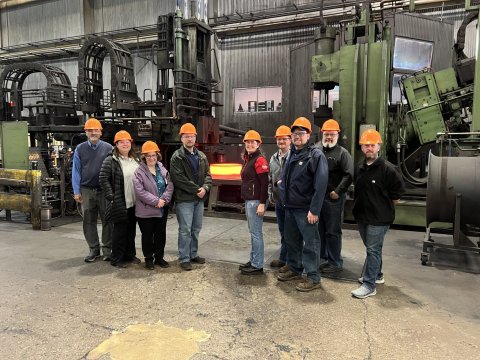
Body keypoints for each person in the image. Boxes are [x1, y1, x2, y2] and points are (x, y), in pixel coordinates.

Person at [351, 129, 405, 299]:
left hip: (379, 218)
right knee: (372, 248)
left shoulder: (389, 169)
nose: (369, 148)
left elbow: (396, 197)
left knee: (373, 250)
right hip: (362, 216)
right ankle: (378, 275)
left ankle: (369, 284)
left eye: (372, 145)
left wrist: (381, 207)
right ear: (362, 147)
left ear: (378, 147)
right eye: (366, 145)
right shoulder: (359, 167)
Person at [277, 117, 329, 292]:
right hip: (290, 207)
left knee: (311, 243)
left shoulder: (315, 156)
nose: (297, 136)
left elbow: (320, 185)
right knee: (292, 240)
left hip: (305, 210)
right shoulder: (293, 152)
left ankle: (313, 277)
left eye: (301, 133)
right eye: (294, 134)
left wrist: (314, 210)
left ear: (309, 135)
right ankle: (294, 267)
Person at [170, 123, 212, 271]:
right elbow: (178, 178)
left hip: (198, 200)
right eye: (186, 136)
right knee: (185, 230)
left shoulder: (201, 156)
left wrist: (205, 188)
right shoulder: (177, 157)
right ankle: (184, 258)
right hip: (185, 200)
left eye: (191, 136)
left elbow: (208, 175)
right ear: (181, 138)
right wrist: (197, 190)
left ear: (195, 138)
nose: (189, 139)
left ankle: (193, 254)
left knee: (196, 229)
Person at [72, 118, 113, 262]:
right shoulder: (80, 149)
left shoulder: (109, 148)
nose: (93, 133)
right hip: (86, 190)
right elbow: (76, 171)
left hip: (104, 191)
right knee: (88, 221)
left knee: (107, 220)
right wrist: (77, 191)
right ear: (86, 132)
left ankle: (107, 250)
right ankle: (94, 249)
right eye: (90, 130)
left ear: (101, 132)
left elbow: (113, 170)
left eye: (96, 130)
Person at [315, 119, 354, 273]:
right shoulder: (316, 149)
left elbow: (349, 174)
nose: (329, 137)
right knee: (320, 229)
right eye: (326, 134)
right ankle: (324, 257)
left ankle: (335, 262)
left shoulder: (342, 154)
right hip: (318, 198)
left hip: (333, 199)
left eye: (332, 134)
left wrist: (337, 191)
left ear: (337, 135)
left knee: (332, 231)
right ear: (322, 134)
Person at [99, 130, 141, 268]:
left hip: (134, 202)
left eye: (127, 141)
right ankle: (117, 258)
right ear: (116, 144)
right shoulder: (110, 160)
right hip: (119, 202)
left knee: (131, 231)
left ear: (131, 143)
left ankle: (130, 255)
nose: (125, 144)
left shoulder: (136, 160)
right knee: (119, 232)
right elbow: (103, 179)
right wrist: (111, 196)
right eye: (121, 142)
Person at [133, 141, 174, 270]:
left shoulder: (162, 169)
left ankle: (159, 258)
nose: (151, 158)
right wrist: (156, 201)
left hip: (162, 209)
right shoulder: (138, 172)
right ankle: (149, 259)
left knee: (160, 234)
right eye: (148, 156)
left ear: (157, 155)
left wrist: (164, 200)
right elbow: (140, 192)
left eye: (153, 155)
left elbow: (170, 185)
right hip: (146, 211)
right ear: (144, 157)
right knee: (147, 236)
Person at [238, 130, 269, 275]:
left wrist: (262, 203)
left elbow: (264, 183)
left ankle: (257, 265)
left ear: (258, 144)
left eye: (253, 142)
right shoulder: (248, 158)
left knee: (256, 233)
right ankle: (254, 260)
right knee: (253, 232)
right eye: (247, 142)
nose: (250, 144)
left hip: (256, 201)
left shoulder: (259, 160)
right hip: (250, 200)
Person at [268, 125, 292, 271]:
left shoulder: (294, 157)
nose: (281, 141)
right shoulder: (273, 158)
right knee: (283, 232)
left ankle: (292, 262)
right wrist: (271, 194)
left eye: (284, 138)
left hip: (291, 202)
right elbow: (270, 178)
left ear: (290, 140)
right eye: (279, 139)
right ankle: (283, 258)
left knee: (292, 233)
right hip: (279, 201)